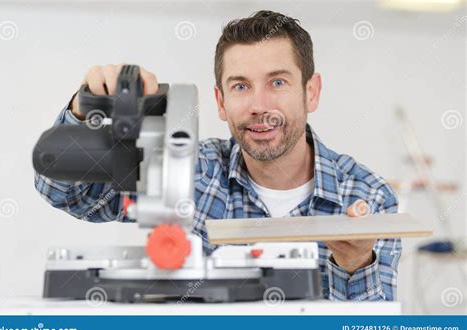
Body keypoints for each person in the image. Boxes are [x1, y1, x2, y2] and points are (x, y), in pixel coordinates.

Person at [35, 10, 401, 301]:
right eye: (240, 86)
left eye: (277, 82)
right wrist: (83, 111)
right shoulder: (186, 169)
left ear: (311, 92)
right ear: (221, 102)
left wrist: (355, 262)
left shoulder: (367, 197)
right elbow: (67, 193)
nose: (259, 106)